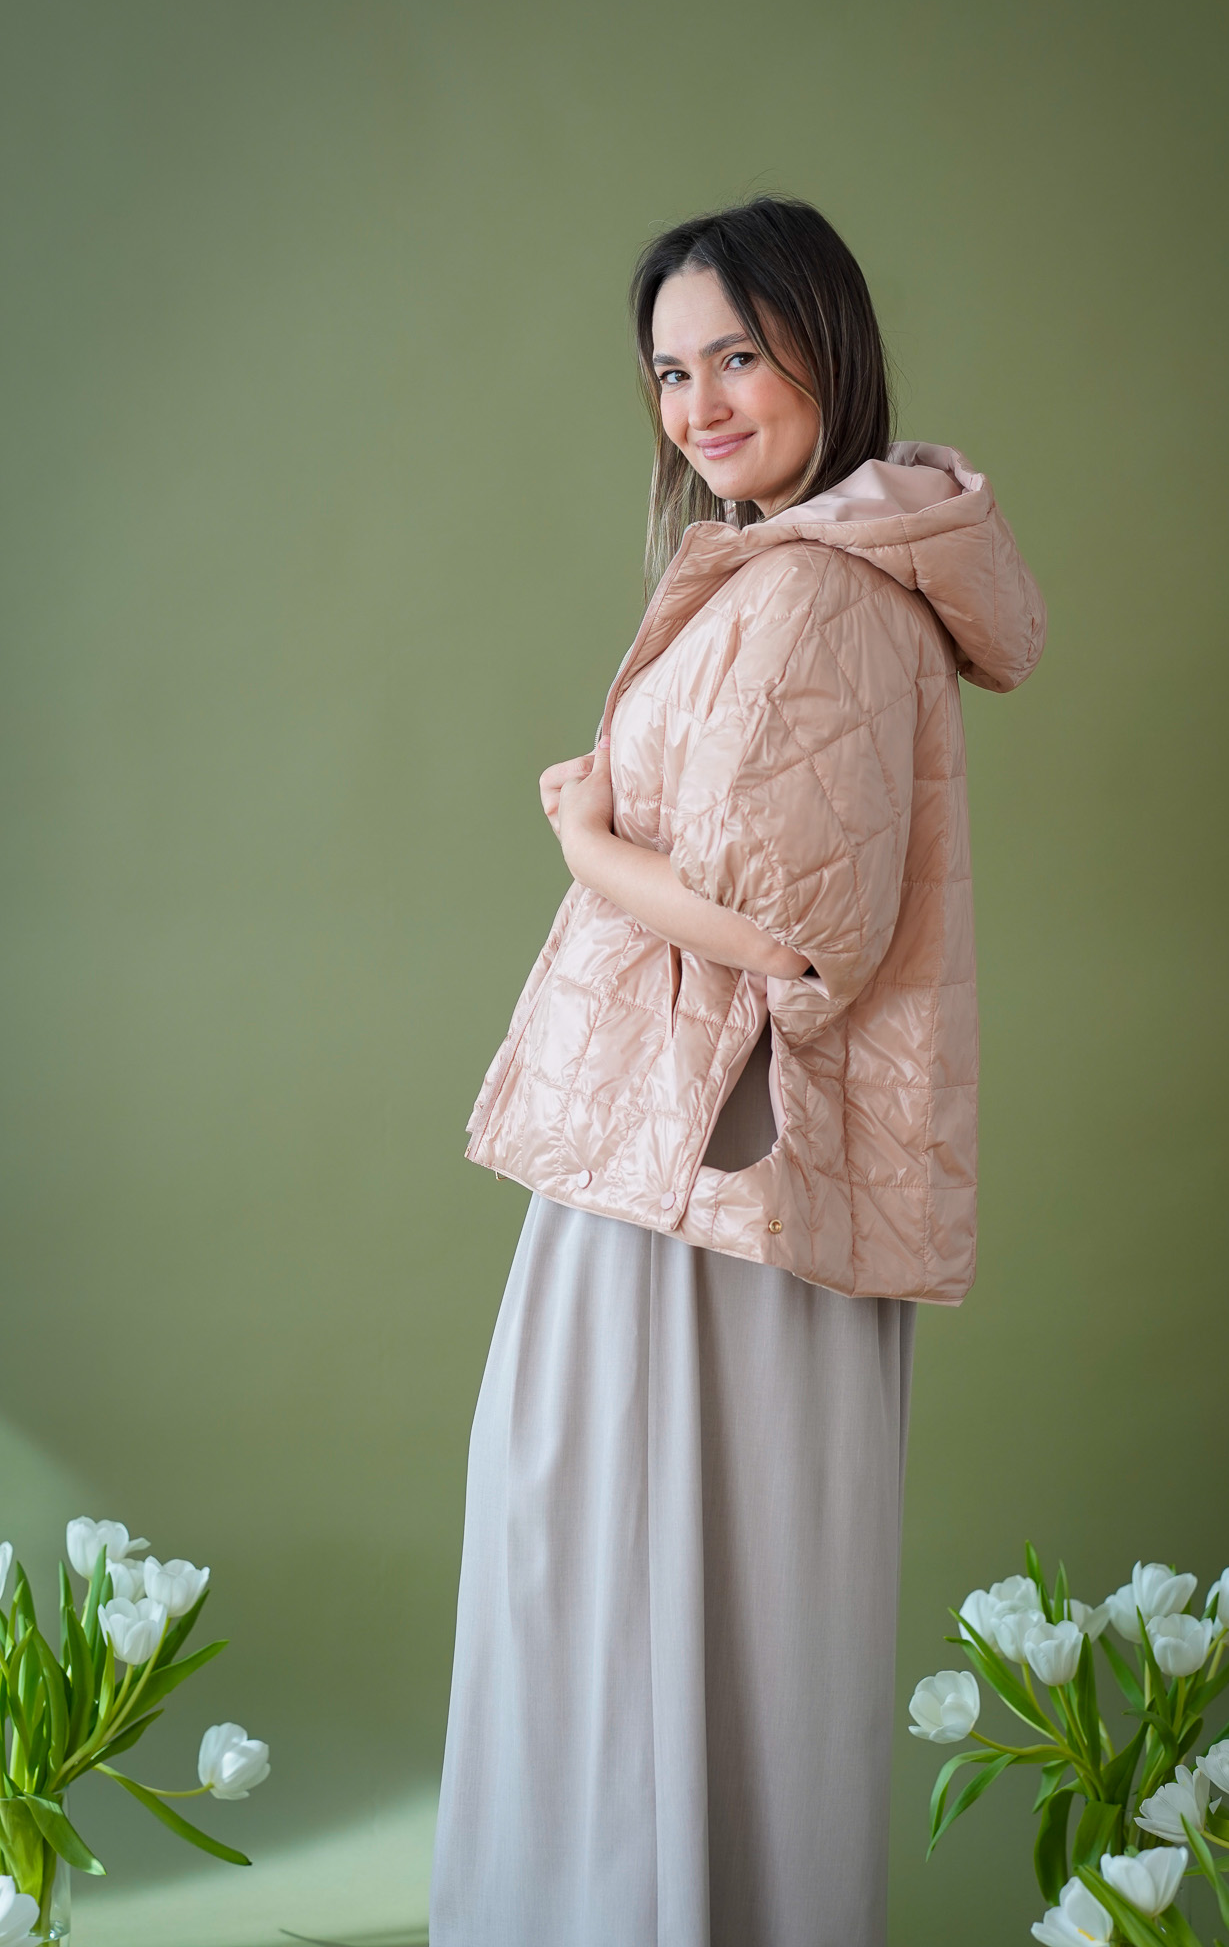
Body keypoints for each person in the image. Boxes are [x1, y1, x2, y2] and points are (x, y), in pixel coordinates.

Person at [429, 196, 1046, 1947]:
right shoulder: (806, 570)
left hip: (708, 1182)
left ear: (823, 355)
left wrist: (584, 841)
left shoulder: (815, 594)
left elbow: (791, 940)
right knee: (681, 1614)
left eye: (737, 359)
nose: (697, 405)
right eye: (668, 372)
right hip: (700, 1165)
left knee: (623, 1599)